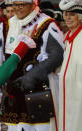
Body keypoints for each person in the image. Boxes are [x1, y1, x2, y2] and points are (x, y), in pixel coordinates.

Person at [5, 0, 64, 131]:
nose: (17, 8)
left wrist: (32, 76)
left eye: (22, 5)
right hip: (14, 92)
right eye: (15, 4)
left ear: (33, 5)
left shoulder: (47, 24)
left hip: (38, 92)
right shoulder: (10, 23)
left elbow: (57, 56)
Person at [59, 0, 82, 131]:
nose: (68, 17)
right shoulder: (67, 36)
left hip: (78, 93)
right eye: (66, 14)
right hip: (66, 91)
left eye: (72, 14)